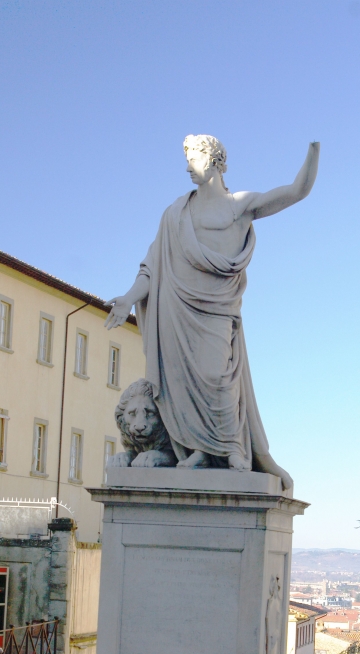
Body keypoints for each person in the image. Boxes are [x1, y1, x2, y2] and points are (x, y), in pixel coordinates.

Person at [105, 135, 320, 491]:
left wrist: (313, 148)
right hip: (176, 309)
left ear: (216, 160)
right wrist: (129, 299)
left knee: (216, 375)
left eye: (196, 158)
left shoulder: (240, 205)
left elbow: (297, 190)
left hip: (216, 309)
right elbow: (151, 268)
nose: (189, 166)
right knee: (178, 385)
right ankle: (199, 451)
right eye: (186, 159)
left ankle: (232, 446)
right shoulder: (175, 214)